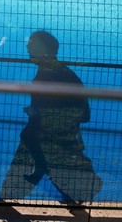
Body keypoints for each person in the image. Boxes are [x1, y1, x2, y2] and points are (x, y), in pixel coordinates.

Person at [20, 31, 91, 183]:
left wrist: (37, 112)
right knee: (29, 133)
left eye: (32, 43)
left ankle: (47, 167)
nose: (27, 46)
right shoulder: (51, 69)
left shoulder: (52, 70)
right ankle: (46, 167)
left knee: (30, 134)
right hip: (62, 117)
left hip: (63, 118)